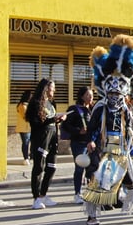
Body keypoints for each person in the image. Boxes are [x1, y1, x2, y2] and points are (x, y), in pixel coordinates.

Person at [83, 34, 133, 225]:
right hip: (105, 149)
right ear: (106, 90)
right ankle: (91, 216)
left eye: (118, 92)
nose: (115, 95)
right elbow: (93, 127)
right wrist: (91, 141)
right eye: (112, 92)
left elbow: (131, 125)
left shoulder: (126, 108)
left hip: (122, 150)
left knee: (131, 182)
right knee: (100, 182)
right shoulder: (100, 106)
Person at [27, 78, 65, 210]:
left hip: (53, 137)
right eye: (51, 88)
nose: (53, 90)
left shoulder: (51, 103)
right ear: (45, 89)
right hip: (41, 138)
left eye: (54, 88)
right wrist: (52, 119)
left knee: (51, 167)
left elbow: (50, 121)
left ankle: (43, 195)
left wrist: (58, 120)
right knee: (39, 168)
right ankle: (36, 198)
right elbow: (36, 123)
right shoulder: (36, 103)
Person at [62, 86, 93, 204]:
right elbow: (66, 125)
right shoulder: (74, 109)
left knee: (91, 168)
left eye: (91, 96)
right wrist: (78, 130)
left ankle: (90, 191)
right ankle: (77, 193)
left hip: (90, 143)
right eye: (88, 95)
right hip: (78, 143)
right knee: (79, 168)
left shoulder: (91, 109)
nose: (90, 98)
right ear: (81, 96)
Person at [15, 90, 32, 166]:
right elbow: (26, 117)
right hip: (24, 128)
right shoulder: (22, 106)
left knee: (30, 143)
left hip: (28, 128)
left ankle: (29, 156)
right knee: (25, 143)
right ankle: (26, 158)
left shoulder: (27, 105)